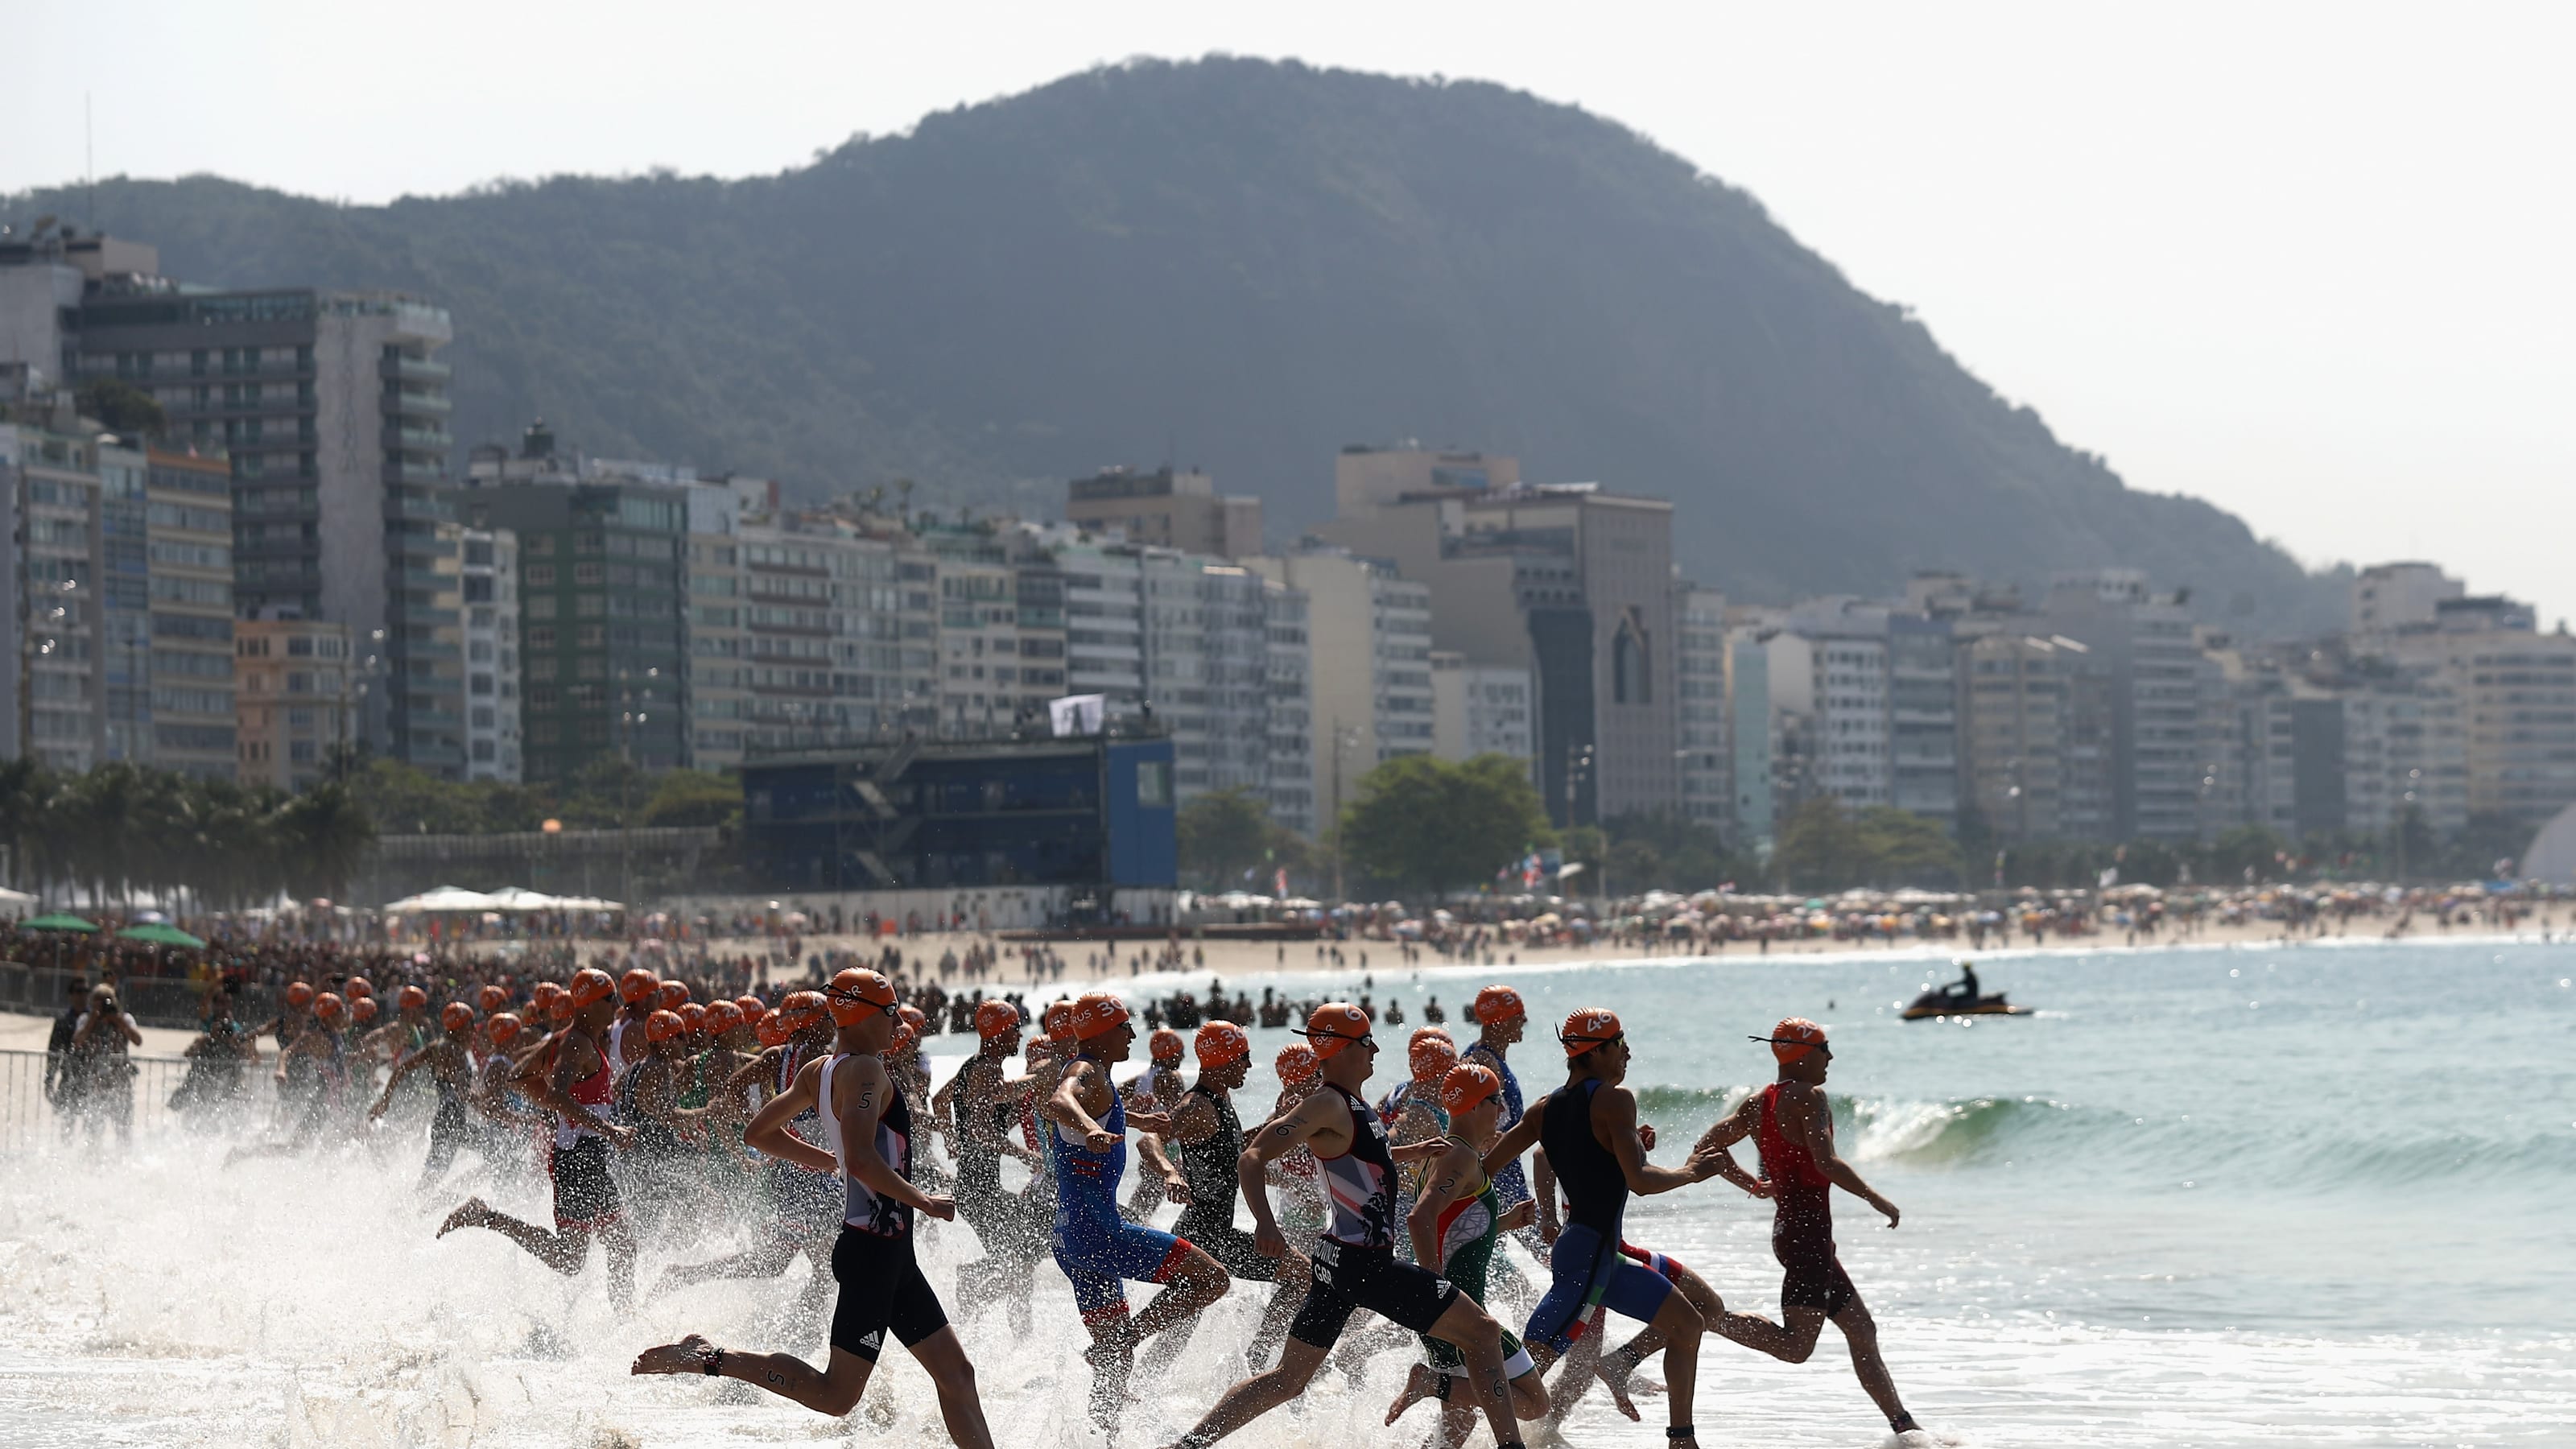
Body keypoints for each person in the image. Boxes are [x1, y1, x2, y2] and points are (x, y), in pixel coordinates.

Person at [630, 968, 997, 1447]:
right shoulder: (864, 1069)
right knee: (835, 1396)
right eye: (889, 1011)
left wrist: (832, 1160)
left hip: (891, 1253)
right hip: (872, 1253)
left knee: (957, 1375)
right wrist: (922, 1199)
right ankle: (704, 1355)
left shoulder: (817, 1071)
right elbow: (863, 1158)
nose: (895, 1022)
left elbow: (759, 1134)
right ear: (863, 1014)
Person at [1157, 1003, 1526, 1449]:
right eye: (1366, 1041)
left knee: (1288, 1379)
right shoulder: (1327, 1103)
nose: (1374, 1050)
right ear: (1343, 1048)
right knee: (1483, 1332)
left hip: (1337, 1262)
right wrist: (1265, 1225)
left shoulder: (1354, 1105)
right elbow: (1252, 1156)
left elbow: (1361, 1162)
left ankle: (1188, 1445)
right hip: (1364, 1264)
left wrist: (1412, 1152)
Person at [1481, 1008, 1727, 1448]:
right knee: (1522, 1372)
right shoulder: (1616, 1100)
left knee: (1688, 1325)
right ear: (1597, 1051)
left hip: (1597, 1256)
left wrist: (1453, 1180)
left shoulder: (1544, 1108)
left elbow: (1487, 1166)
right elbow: (1641, 1183)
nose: (1627, 1052)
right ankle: (1442, 1391)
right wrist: (1691, 1172)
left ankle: (1681, 1439)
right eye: (1620, 1043)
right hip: (1587, 1261)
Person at [1693, 1018, 1924, 1439]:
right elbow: (1826, 1162)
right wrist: (1876, 1199)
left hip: (1797, 1233)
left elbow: (1707, 1146)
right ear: (1801, 1053)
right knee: (1796, 1348)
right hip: (1807, 1237)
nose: (1830, 1057)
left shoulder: (1759, 1102)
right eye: (1824, 1048)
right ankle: (1698, 1317)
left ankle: (1905, 1429)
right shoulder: (1808, 1096)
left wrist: (1755, 1187)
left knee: (1861, 1329)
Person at [1045, 991, 1230, 1426]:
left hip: (1072, 1237)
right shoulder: (1084, 1069)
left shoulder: (1102, 1077)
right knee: (1213, 1279)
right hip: (1099, 1233)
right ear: (1103, 1033)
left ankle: (1100, 1433)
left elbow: (1100, 1109)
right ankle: (1127, 1340)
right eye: (1124, 1027)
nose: (1132, 1034)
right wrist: (1091, 1127)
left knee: (1113, 1364)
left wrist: (1139, 1122)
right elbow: (1060, 1101)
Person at [437, 967, 641, 1313]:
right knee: (587, 1253)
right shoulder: (575, 1042)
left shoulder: (567, 1039)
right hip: (579, 1157)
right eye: (611, 999)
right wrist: (609, 1130)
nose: (616, 1005)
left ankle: (625, 1317)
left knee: (607, 1248)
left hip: (581, 1156)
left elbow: (522, 1077)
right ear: (590, 1004)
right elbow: (556, 1094)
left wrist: (558, 1109)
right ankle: (484, 1215)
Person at [1384, 1063, 1551, 1443]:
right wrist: (1435, 1287)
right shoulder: (1459, 1157)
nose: (1502, 1111)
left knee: (1455, 1434)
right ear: (1475, 1106)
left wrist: (1503, 1221)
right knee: (1533, 1402)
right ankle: (1430, 1383)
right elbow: (1419, 1218)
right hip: (1461, 1317)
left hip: (1450, 1316)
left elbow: (1449, 1228)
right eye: (1496, 1101)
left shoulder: (1442, 1155)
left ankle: (1434, 1383)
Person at [1140, 1020, 1314, 1376]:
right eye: (1244, 1058)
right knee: (1301, 1275)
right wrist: (1171, 1173)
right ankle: (1258, 1362)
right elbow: (1149, 1140)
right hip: (1205, 1235)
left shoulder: (1220, 1098)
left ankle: (1135, 1386)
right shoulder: (1197, 1105)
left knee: (1177, 1331)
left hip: (1206, 1233)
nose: (1249, 1066)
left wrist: (1276, 1122)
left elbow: (1232, 1149)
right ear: (1222, 1060)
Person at [941, 999, 1044, 1336]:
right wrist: (1025, 1155)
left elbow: (943, 1100)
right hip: (977, 1190)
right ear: (999, 1033)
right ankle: (973, 1286)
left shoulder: (976, 1066)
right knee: (1021, 1258)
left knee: (1023, 1255)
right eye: (1015, 1028)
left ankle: (1021, 1336)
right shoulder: (986, 1069)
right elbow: (981, 1130)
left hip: (978, 1187)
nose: (1019, 1035)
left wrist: (950, 1138)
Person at [369, 1001, 483, 1194]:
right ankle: (453, 1197)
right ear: (460, 1027)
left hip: (445, 1122)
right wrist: (491, 1108)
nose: (473, 1030)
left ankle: (415, 1208)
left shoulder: (437, 1047)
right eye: (470, 1024)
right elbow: (462, 1092)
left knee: (430, 1180)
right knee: (499, 1151)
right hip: (452, 1123)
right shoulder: (453, 1051)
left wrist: (385, 1101)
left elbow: (400, 1069)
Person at [67, 983, 145, 1143]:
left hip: (120, 1084)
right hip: (96, 1085)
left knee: (123, 1132)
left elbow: (138, 1040)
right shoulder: (85, 1019)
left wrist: (118, 1021)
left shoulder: (125, 1018)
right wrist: (93, 1019)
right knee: (94, 1133)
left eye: (107, 1001)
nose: (104, 1005)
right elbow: (77, 1041)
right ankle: (93, 1162)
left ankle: (122, 1162)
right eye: (99, 1001)